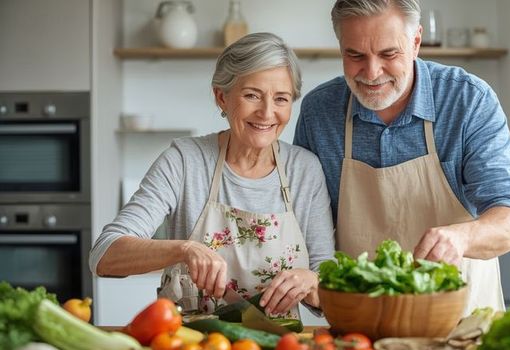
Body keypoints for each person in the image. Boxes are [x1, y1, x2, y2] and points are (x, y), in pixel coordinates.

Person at [294, 0, 510, 314]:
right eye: (355, 55)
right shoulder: (319, 111)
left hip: (459, 323)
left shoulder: (467, 99)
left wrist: (462, 237)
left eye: (388, 54)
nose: (372, 72)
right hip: (361, 326)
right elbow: (306, 226)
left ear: (416, 42)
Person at [90, 32, 335, 319]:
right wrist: (184, 249)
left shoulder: (305, 169)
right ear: (222, 97)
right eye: (252, 95)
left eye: (281, 99)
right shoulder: (184, 160)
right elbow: (104, 256)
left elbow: (328, 289)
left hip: (279, 348)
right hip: (188, 348)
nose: (267, 113)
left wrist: (312, 283)